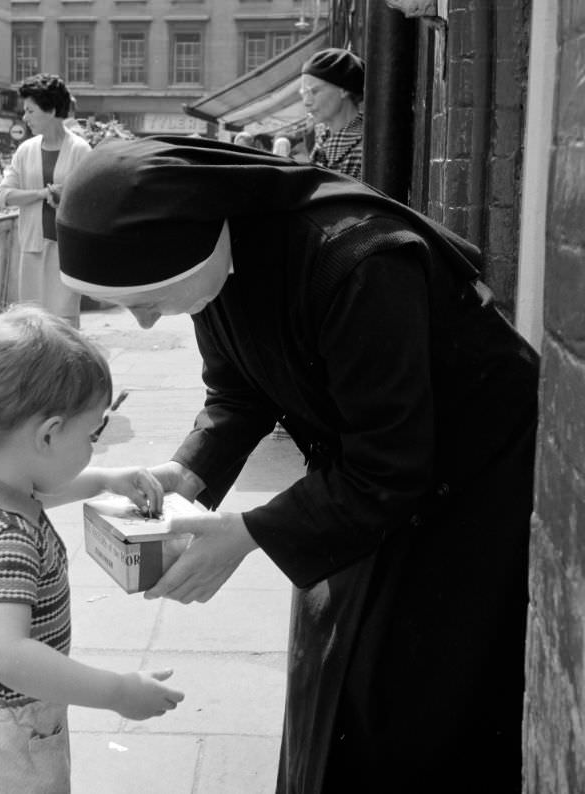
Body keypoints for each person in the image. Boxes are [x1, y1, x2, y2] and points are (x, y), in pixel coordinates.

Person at [55, 136, 540, 794]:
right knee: (331, 676)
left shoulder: (360, 264)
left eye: (150, 297)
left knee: (405, 694)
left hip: (469, 494)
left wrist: (249, 534)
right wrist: (185, 477)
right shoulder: (210, 264)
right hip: (364, 477)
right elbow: (239, 393)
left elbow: (391, 465)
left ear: (198, 245)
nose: (142, 323)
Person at [0, 305, 185, 793]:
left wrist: (108, 479)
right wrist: (117, 692)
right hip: (5, 749)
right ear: (47, 434)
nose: (94, 449)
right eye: (91, 436)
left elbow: (43, 491)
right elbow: (6, 655)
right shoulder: (9, 539)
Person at [0, 74, 91, 328]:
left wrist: (66, 198)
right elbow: (5, 195)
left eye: (30, 111)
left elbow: (91, 201)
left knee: (64, 324)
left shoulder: (80, 151)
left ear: (50, 110)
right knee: (31, 323)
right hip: (31, 248)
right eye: (24, 111)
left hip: (65, 252)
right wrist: (40, 194)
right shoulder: (25, 150)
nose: (25, 117)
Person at [300, 48, 365, 180]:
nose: (306, 102)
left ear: (344, 90)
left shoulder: (363, 151)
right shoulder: (323, 143)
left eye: (314, 91)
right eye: (304, 93)